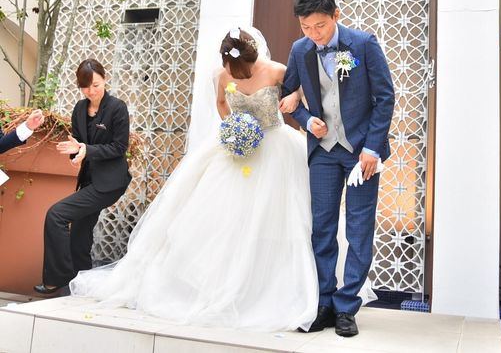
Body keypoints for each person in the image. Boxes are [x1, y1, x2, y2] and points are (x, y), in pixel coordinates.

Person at [70, 29, 319, 332]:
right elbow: (221, 103)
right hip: (237, 148)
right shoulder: (221, 74)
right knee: (221, 218)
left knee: (274, 216)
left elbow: (304, 91)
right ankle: (217, 284)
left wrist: (294, 96)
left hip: (275, 147)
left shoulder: (277, 70)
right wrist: (234, 128)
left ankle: (266, 285)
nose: (235, 75)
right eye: (231, 71)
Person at [282, 0, 395, 338]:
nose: (314, 34)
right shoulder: (300, 50)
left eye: (320, 26)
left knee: (359, 229)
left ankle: (347, 307)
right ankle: (324, 303)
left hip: (361, 152)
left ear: (336, 15)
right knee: (322, 228)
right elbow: (287, 94)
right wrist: (306, 120)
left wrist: (372, 148)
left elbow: (385, 97)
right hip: (323, 152)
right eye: (306, 27)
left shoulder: (362, 43)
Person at [34, 59, 132, 295]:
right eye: (85, 87)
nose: (91, 91)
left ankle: (58, 278)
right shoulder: (79, 108)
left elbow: (119, 147)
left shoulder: (117, 108)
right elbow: (78, 144)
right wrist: (76, 153)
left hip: (110, 182)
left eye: (96, 85)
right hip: (89, 180)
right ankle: (80, 287)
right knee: (79, 234)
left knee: (56, 214)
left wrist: (87, 150)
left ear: (104, 79)